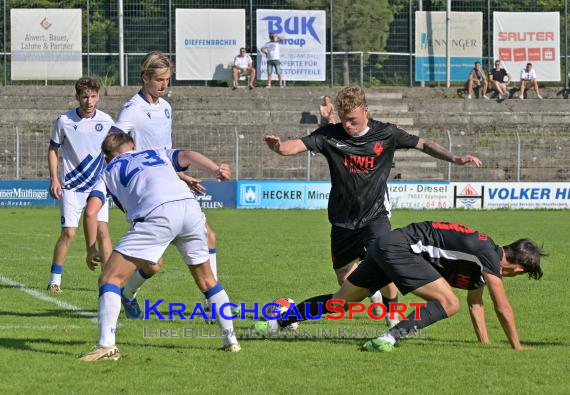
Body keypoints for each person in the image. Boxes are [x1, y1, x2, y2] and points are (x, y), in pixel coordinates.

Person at [263, 86, 482, 326]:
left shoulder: (386, 133)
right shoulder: (329, 135)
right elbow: (295, 146)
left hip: (375, 216)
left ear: (365, 111)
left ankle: (392, 313)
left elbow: (424, 143)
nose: (347, 124)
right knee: (345, 281)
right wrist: (279, 148)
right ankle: (372, 292)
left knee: (385, 259)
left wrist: (455, 159)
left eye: (352, 120)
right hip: (342, 220)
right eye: (344, 119)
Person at [267, 221, 545, 353]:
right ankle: (391, 337)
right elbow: (502, 306)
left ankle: (280, 323)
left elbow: (477, 302)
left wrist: (484, 344)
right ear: (518, 268)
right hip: (401, 248)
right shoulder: (489, 255)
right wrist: (517, 347)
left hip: (387, 244)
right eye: (521, 274)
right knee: (450, 303)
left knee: (341, 301)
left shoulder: (483, 257)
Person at [79, 132, 239, 361]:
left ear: (106, 158)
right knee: (207, 280)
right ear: (133, 145)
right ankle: (231, 341)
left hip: (156, 214)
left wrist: (91, 248)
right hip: (190, 209)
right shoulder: (155, 152)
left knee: (109, 279)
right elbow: (188, 155)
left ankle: (106, 347)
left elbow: (91, 211)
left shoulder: (107, 171)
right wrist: (215, 170)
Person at [113, 51, 222, 319]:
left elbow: (164, 152)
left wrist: (180, 175)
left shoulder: (165, 107)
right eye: (159, 79)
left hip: (170, 184)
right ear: (145, 78)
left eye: (168, 80)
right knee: (153, 264)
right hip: (147, 193)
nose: (164, 85)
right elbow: (113, 144)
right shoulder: (132, 110)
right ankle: (127, 294)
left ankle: (211, 304)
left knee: (209, 236)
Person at [47, 77, 114, 293]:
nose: (89, 101)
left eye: (93, 96)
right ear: (77, 97)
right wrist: (54, 178)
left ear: (98, 97)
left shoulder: (107, 121)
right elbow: (53, 150)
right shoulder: (64, 121)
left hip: (98, 186)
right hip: (71, 187)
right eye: (85, 96)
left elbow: (115, 152)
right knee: (69, 233)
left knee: (103, 232)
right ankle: (55, 280)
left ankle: (109, 281)